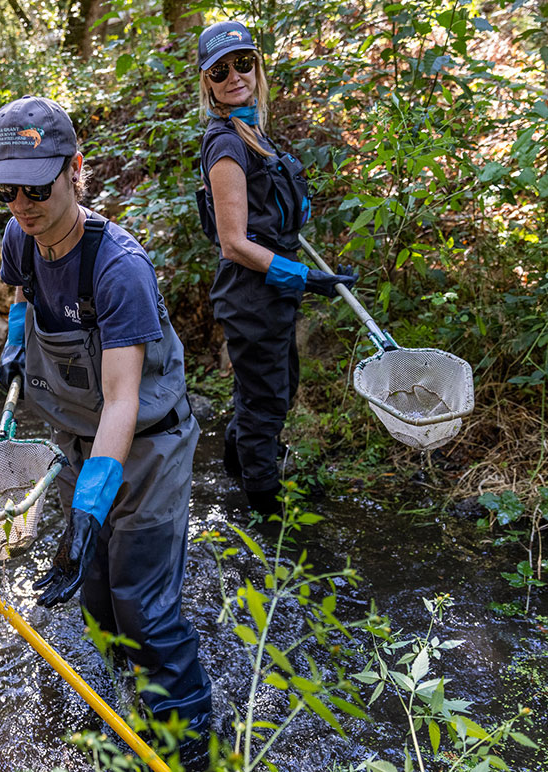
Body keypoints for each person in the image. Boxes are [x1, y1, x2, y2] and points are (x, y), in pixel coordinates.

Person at [0, 96, 214, 767]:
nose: (22, 204)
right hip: (81, 444)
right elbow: (23, 292)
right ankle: (125, 716)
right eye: (7, 190)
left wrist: (89, 502)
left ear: (75, 169)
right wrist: (14, 338)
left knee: (145, 605)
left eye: (36, 187)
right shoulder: (18, 239)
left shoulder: (119, 268)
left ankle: (193, 756)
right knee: (97, 599)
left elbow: (121, 398)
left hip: (147, 446)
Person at [195, 21, 356, 516]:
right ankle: (266, 519)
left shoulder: (255, 132)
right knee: (267, 406)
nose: (234, 76)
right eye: (220, 71)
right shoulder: (226, 144)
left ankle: (236, 466)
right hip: (251, 295)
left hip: (270, 292)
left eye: (242, 62)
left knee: (271, 392)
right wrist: (305, 277)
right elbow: (233, 243)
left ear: (256, 65)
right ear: (208, 84)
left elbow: (265, 214)